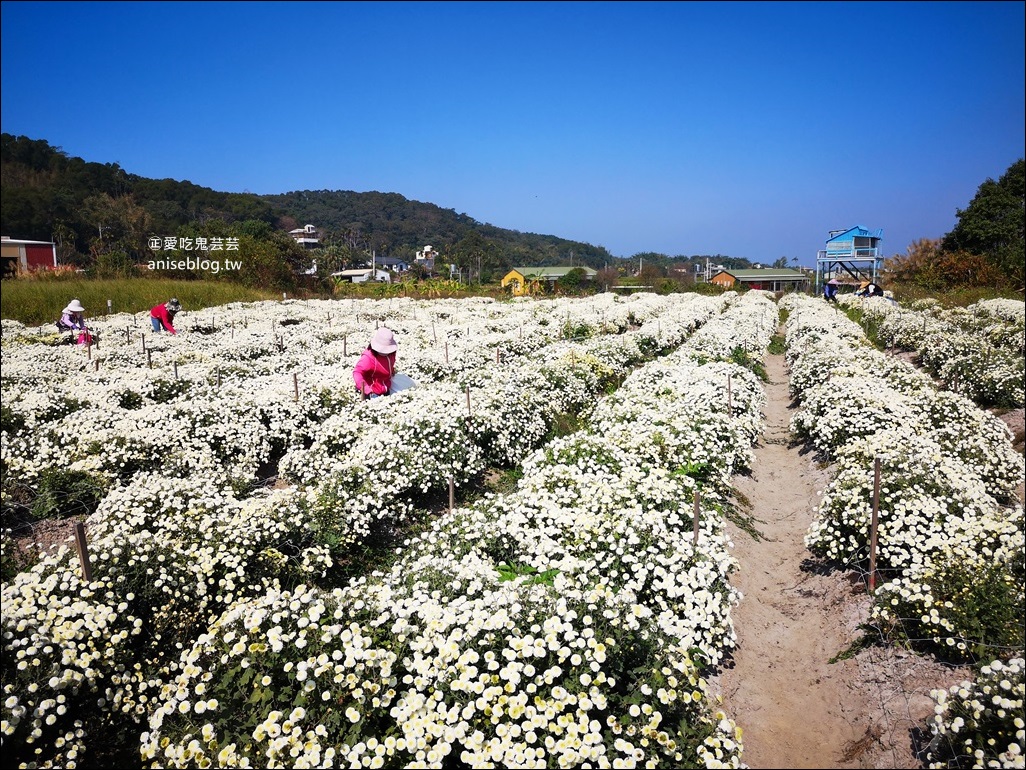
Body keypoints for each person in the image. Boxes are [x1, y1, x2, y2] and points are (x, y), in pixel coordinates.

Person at [353, 327, 397, 398]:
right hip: (371, 391)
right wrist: (366, 389)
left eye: (387, 349)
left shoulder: (391, 354)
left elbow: (390, 364)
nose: (385, 352)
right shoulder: (368, 358)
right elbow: (357, 372)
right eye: (383, 349)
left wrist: (391, 370)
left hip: (385, 387)